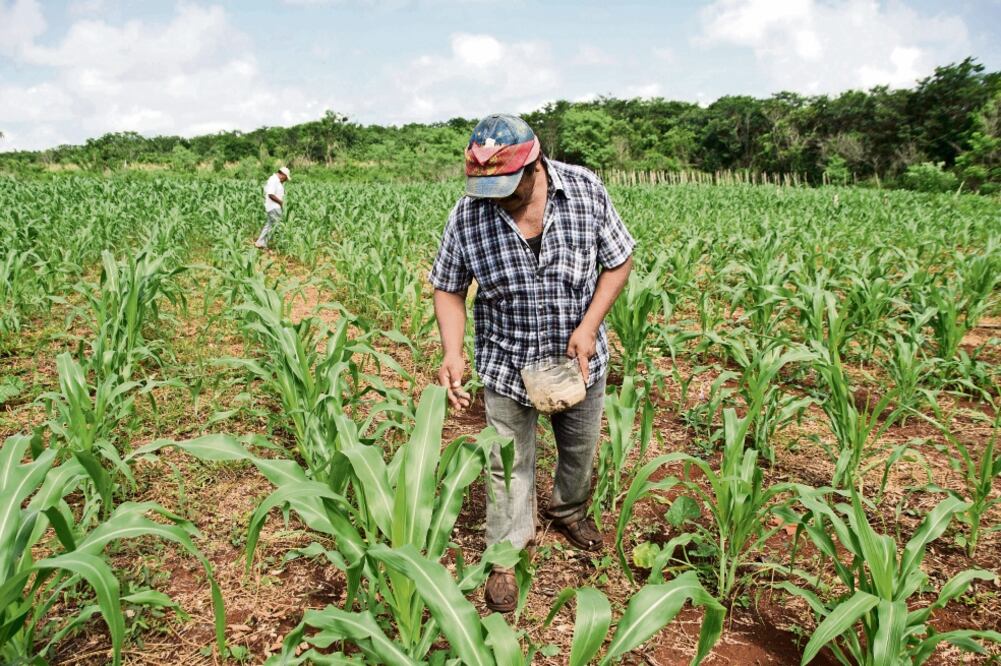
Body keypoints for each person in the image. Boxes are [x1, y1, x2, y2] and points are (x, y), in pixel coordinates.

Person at [429, 114, 634, 612]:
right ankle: (505, 554)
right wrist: (453, 351)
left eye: (507, 187)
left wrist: (588, 328)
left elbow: (619, 259)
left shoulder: (585, 192)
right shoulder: (468, 215)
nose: (497, 197)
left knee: (579, 449)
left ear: (535, 165)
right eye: (487, 188)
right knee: (506, 466)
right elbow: (448, 286)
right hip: (505, 363)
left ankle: (568, 509)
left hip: (577, 358)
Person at [255, 166, 290, 249]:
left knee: (270, 224)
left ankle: (260, 242)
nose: (285, 180)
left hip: (273, 207)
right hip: (274, 207)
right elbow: (270, 194)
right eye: (285, 178)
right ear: (283, 174)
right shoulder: (274, 180)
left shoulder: (276, 181)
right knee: (278, 225)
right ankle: (281, 245)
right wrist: (281, 202)